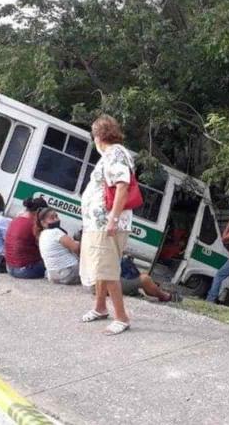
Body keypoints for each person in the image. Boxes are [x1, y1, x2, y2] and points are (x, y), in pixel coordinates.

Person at [80, 114, 134, 336]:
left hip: (106, 224)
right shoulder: (111, 154)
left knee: (108, 269)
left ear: (98, 136)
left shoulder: (115, 153)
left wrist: (112, 218)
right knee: (101, 267)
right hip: (97, 223)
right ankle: (100, 307)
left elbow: (123, 185)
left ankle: (121, 317)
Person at [4, 197, 48, 279]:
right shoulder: (34, 225)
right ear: (39, 212)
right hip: (25, 270)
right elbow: (45, 247)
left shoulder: (15, 220)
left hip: (9, 267)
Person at [37, 208, 81, 284]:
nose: (56, 220)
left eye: (56, 216)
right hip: (69, 274)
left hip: (53, 276)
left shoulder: (42, 234)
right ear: (43, 223)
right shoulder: (56, 232)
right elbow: (76, 248)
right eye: (52, 218)